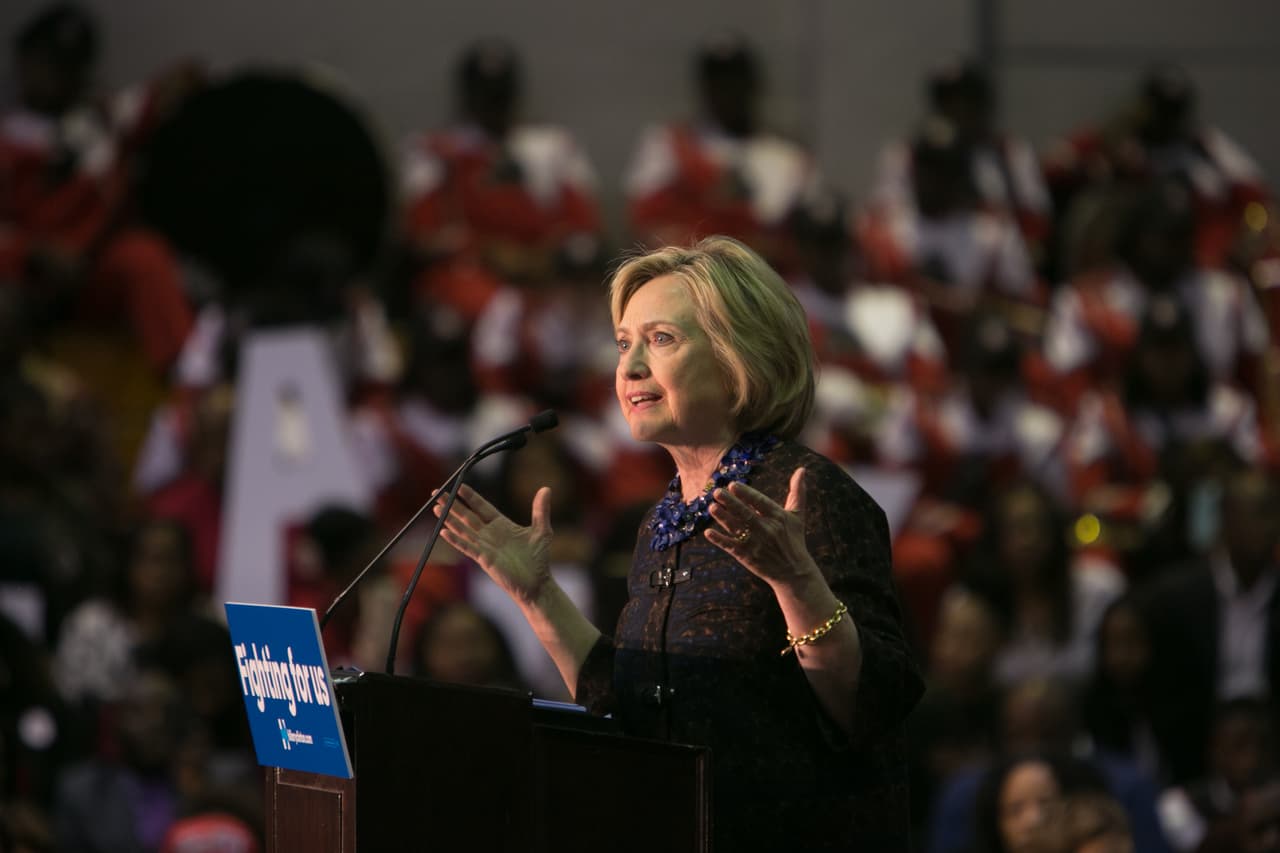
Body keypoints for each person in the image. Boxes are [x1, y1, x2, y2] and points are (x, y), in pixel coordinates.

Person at [432, 236, 923, 849]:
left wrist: (798, 583)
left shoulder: (806, 493)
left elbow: (872, 703)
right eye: (623, 343)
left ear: (738, 355)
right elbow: (629, 704)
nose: (630, 366)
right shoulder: (662, 516)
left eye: (661, 339)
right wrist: (537, 594)